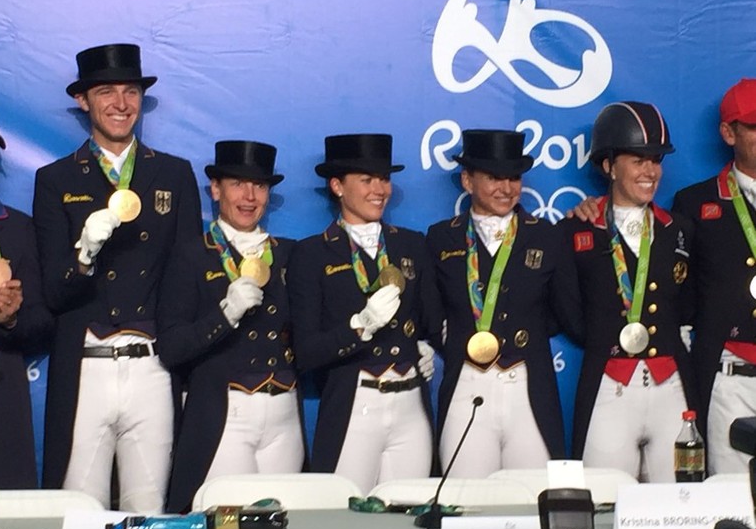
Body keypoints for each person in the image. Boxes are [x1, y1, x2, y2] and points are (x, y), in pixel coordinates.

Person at [32, 43, 202, 511]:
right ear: (84, 101)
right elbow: (53, 291)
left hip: (152, 363)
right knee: (77, 511)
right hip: (85, 363)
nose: (121, 104)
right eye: (106, 92)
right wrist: (83, 255)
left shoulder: (172, 173)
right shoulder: (56, 179)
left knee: (147, 509)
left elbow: (188, 281)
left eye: (130, 92)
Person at [288, 134, 441, 494]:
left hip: (410, 406)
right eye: (367, 180)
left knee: (409, 519)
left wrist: (424, 345)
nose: (380, 189)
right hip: (355, 404)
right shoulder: (312, 254)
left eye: (384, 179)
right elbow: (306, 353)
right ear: (338, 186)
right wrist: (360, 327)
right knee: (346, 518)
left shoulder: (411, 244)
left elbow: (431, 322)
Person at [426, 129, 583, 477]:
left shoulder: (547, 235)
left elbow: (564, 311)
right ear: (467, 180)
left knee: (534, 501)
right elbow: (431, 312)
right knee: (464, 503)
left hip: (527, 383)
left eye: (514, 178)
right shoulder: (442, 237)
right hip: (467, 383)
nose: (506, 188)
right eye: (494, 178)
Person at [158, 140, 304, 513]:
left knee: (283, 527)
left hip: (284, 411)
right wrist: (225, 316)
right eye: (238, 184)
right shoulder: (191, 253)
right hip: (228, 412)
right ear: (215, 189)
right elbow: (172, 346)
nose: (250, 196)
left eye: (259, 186)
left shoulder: (289, 253)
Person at [561, 101, 698, 482]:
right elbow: (569, 312)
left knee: (681, 503)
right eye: (638, 160)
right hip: (610, 385)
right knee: (603, 505)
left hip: (672, 386)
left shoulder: (680, 229)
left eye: (656, 160)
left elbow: (689, 305)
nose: (650, 171)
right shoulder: (576, 230)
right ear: (608, 165)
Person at [672, 79, 756, 474]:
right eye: (754, 126)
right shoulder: (694, 202)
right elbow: (682, 295)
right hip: (730, 377)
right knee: (736, 503)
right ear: (728, 132)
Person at [0, 114, 52, 489]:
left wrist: (11, 320)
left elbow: (44, 323)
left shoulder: (18, 226)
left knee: (6, 508)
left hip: (3, 376)